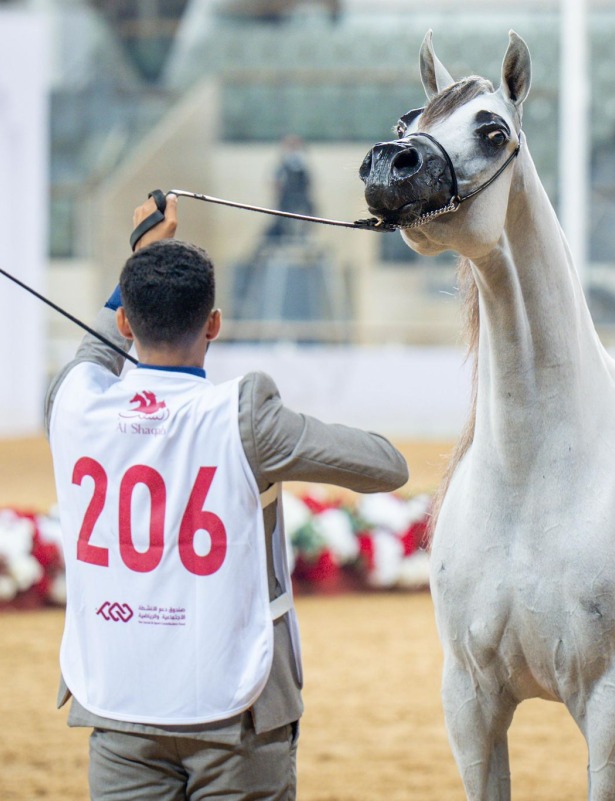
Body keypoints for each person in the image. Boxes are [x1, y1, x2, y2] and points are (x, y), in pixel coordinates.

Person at [45, 195, 408, 800]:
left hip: (117, 703)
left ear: (127, 323)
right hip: (232, 712)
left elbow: (94, 352)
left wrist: (142, 258)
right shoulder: (244, 419)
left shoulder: (74, 403)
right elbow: (387, 467)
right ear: (213, 324)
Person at [266, 135, 315, 241]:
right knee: (285, 217)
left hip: (300, 196)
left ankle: (300, 235)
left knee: (307, 214)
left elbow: (308, 180)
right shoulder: (286, 161)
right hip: (288, 196)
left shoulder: (300, 160)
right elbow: (277, 180)